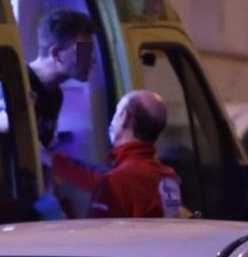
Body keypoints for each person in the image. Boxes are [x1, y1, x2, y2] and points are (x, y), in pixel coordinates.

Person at [49, 90, 183, 218]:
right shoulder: (168, 176)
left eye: (116, 113)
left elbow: (98, 238)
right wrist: (56, 162)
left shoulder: (117, 182)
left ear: (125, 118)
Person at [27, 9, 97, 150]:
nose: (91, 60)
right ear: (57, 54)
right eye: (84, 52)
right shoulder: (19, 81)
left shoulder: (56, 95)